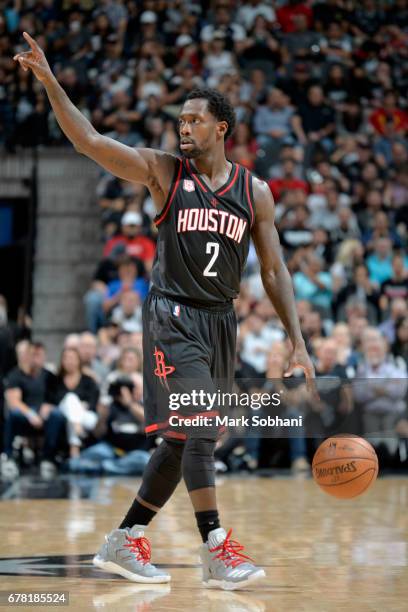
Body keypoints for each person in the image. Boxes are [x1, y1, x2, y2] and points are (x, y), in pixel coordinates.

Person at [14, 33, 315, 590]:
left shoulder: (256, 192)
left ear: (220, 127)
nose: (184, 127)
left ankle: (125, 540)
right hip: (173, 315)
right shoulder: (163, 171)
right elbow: (91, 142)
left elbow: (273, 272)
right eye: (180, 119)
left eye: (195, 120)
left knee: (182, 441)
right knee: (198, 427)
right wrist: (51, 82)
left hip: (220, 320)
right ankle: (217, 549)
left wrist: (296, 339)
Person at [2, 341, 66, 479]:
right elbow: (14, 401)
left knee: (57, 415)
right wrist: (30, 414)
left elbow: (57, 398)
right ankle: (8, 456)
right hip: (25, 414)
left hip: (45, 415)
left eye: (39, 355)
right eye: (33, 354)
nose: (36, 358)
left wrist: (48, 406)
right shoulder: (16, 374)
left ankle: (48, 457)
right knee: (13, 414)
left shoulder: (49, 376)